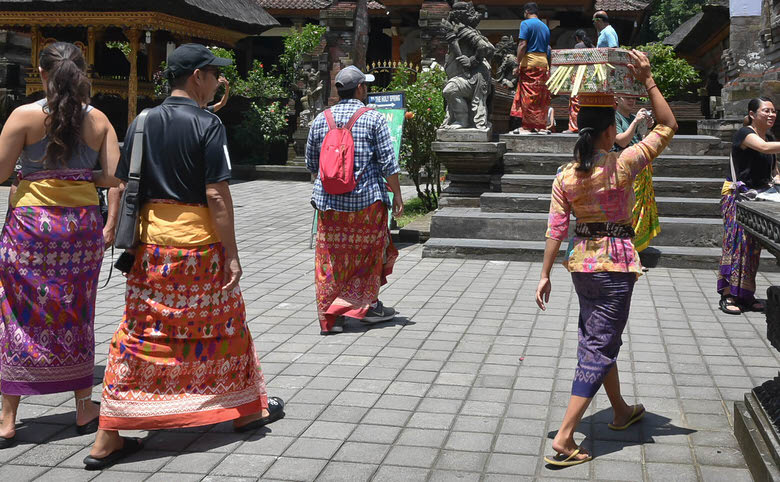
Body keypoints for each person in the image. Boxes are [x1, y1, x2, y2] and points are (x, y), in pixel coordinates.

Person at [86, 44, 284, 469]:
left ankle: (108, 435)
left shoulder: (141, 121)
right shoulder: (208, 124)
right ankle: (247, 410)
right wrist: (232, 253)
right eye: (214, 74)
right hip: (200, 250)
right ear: (197, 76)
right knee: (224, 325)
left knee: (141, 334)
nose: (217, 81)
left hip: (152, 251)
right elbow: (215, 193)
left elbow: (119, 183)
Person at [536, 50, 678, 466]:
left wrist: (544, 274)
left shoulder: (564, 174)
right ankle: (564, 437)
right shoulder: (623, 164)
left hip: (581, 265)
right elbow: (669, 125)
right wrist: (649, 80)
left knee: (596, 337)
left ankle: (619, 410)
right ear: (608, 131)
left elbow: (555, 230)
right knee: (599, 344)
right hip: (616, 265)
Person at [0, 42, 121, 448]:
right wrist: (81, 180)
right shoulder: (100, 119)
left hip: (31, 228)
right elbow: (114, 177)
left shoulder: (24, 116)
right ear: (83, 71)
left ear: (41, 71)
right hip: (80, 229)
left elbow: (0, 172)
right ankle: (84, 406)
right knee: (77, 310)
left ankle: (7, 417)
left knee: (17, 311)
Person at [306, 65, 403, 335]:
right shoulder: (373, 118)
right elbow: (388, 163)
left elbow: (311, 163)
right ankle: (365, 306)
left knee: (331, 260)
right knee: (366, 257)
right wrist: (397, 195)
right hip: (367, 205)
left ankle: (331, 319)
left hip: (329, 206)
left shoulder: (321, 119)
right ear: (360, 88)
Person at [718, 97, 780, 315]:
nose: (771, 115)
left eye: (774, 111)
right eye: (766, 111)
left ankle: (745, 294)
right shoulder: (745, 134)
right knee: (737, 246)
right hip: (736, 197)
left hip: (758, 198)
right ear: (752, 114)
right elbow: (763, 148)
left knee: (752, 250)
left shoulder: (770, 137)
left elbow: (774, 172)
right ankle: (728, 294)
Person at [614, 96, 658, 253]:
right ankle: (627, 250)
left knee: (640, 211)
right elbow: (622, 141)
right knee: (629, 210)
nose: (632, 101)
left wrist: (647, 127)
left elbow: (643, 141)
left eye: (634, 99)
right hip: (624, 167)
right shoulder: (615, 117)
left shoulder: (634, 118)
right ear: (617, 99)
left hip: (640, 167)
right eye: (627, 98)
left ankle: (635, 250)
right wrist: (635, 122)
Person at [510, 2, 552, 134]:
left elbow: (522, 44)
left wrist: (518, 63)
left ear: (526, 12)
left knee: (528, 95)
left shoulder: (525, 24)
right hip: (543, 63)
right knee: (540, 96)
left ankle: (527, 126)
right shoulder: (545, 27)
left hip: (530, 62)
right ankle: (539, 126)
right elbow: (548, 49)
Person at [564, 30, 595, 134]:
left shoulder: (578, 46)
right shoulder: (592, 46)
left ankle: (574, 126)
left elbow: (575, 62)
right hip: (590, 79)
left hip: (579, 78)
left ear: (577, 38)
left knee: (575, 102)